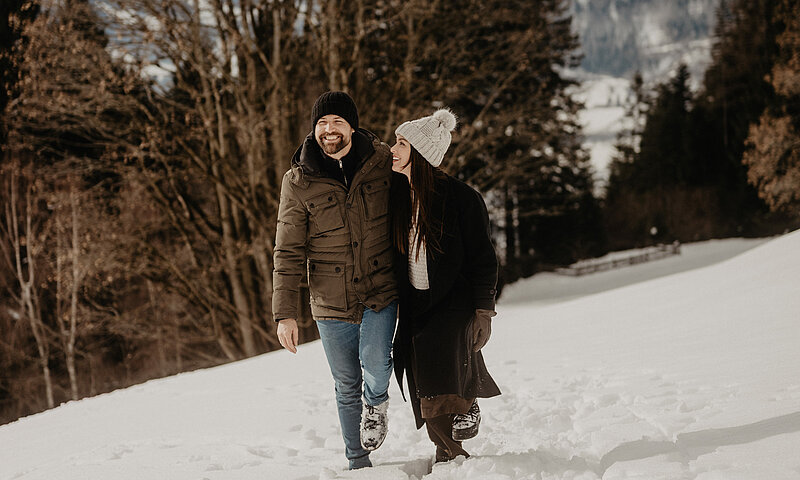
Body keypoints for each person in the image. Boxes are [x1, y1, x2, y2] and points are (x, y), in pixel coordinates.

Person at [272, 91, 399, 470]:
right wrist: (285, 313)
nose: (329, 130)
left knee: (377, 362)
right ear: (314, 130)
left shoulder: (381, 163)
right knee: (346, 386)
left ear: (352, 127)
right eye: (322, 123)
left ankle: (376, 403)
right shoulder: (298, 181)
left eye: (338, 122)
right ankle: (358, 463)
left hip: (380, 287)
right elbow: (287, 250)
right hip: (330, 300)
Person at [389, 108, 501, 463]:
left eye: (402, 143)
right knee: (422, 374)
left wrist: (483, 310)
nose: (393, 149)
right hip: (415, 304)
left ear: (420, 154)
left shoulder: (462, 199)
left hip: (454, 301)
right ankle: (452, 440)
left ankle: (452, 453)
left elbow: (484, 258)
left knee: (435, 374)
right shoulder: (396, 195)